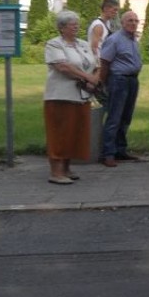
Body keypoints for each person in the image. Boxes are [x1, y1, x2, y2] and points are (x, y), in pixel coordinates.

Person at [43, 10, 99, 184]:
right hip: (60, 95)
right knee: (59, 133)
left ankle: (67, 168)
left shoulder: (83, 44)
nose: (76, 26)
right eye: (72, 24)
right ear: (61, 27)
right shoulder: (54, 44)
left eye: (77, 23)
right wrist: (86, 77)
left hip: (82, 95)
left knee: (74, 133)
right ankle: (56, 172)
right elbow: (63, 67)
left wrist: (95, 78)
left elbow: (96, 63)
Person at [97, 11, 142, 166]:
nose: (134, 23)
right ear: (122, 23)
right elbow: (104, 62)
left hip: (132, 81)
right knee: (114, 117)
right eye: (130, 20)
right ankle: (107, 153)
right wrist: (102, 83)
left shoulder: (134, 40)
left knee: (126, 117)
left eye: (136, 20)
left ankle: (120, 150)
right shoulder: (114, 39)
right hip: (118, 80)